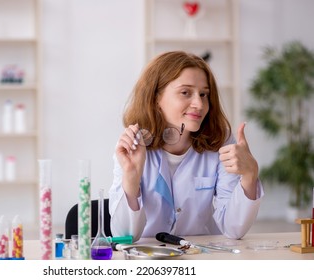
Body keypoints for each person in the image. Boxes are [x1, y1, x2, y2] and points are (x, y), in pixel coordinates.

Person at [109, 51, 264, 242]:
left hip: (202, 255)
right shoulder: (131, 146)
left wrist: (250, 175)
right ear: (156, 98)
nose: (199, 104)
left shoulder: (220, 142)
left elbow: (234, 229)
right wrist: (131, 176)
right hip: (149, 258)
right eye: (185, 92)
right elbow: (124, 236)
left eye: (204, 94)